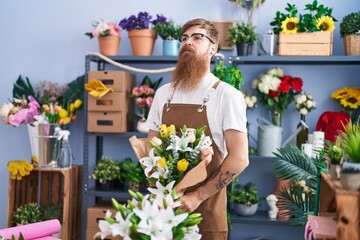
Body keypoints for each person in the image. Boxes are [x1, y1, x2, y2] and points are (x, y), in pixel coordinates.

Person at [145, 18, 249, 240]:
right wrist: (161, 191)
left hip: (206, 208)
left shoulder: (227, 95)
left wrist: (196, 197)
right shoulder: (164, 94)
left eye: (197, 37)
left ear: (213, 48)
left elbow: (240, 159)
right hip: (164, 209)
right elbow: (149, 148)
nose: (187, 42)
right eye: (184, 38)